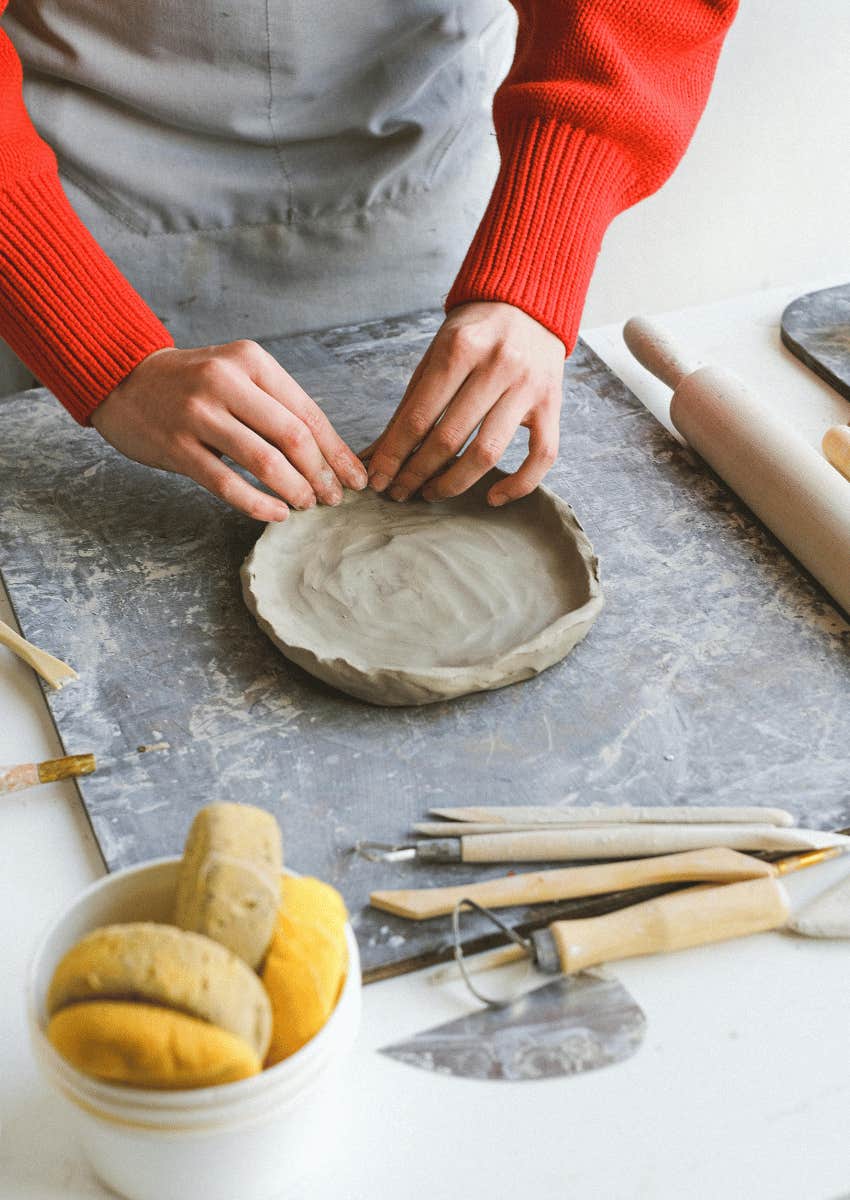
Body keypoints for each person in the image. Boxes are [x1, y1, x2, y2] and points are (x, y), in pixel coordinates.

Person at [0, 1, 737, 519]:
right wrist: (95, 344)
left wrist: (536, 260)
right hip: (63, 230)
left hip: (428, 214)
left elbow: (641, 14)